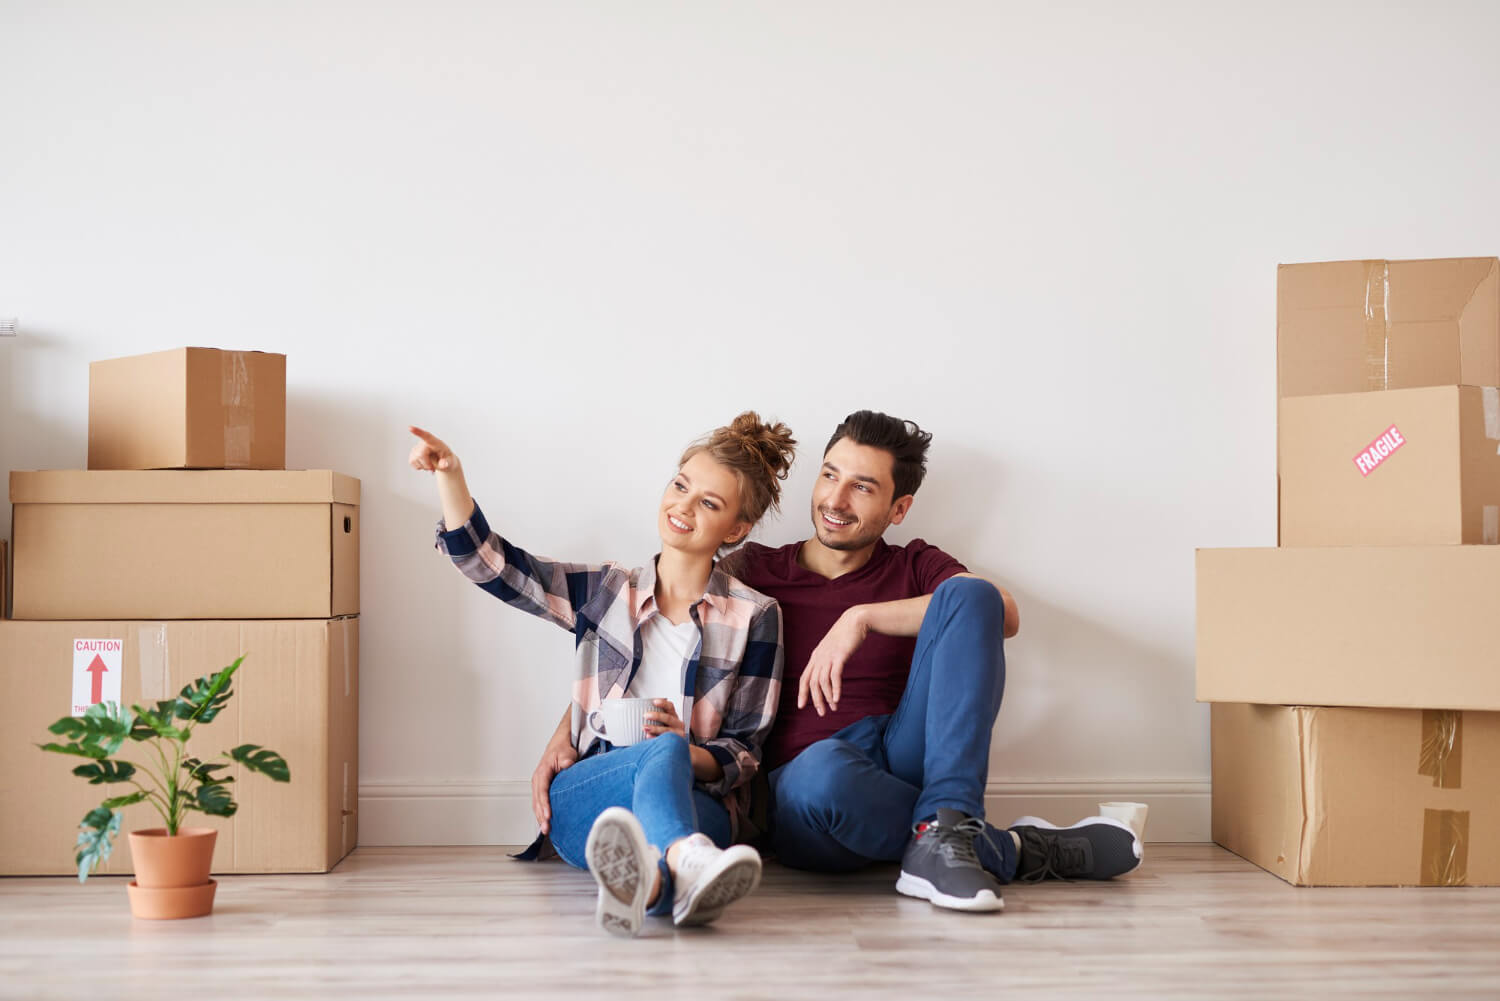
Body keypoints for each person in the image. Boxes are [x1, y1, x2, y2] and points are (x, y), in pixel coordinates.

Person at [714, 410, 1143, 912]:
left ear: (899, 508)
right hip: (807, 792)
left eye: (863, 487)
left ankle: (950, 821)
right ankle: (1010, 847)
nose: (835, 499)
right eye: (830, 474)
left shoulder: (915, 564)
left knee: (971, 594)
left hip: (901, 753)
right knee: (823, 772)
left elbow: (1001, 611)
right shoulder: (755, 569)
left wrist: (862, 617)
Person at [410, 413, 795, 937]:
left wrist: (688, 750)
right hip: (587, 792)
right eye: (680, 486)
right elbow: (493, 566)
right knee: (664, 752)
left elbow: (746, 749)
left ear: (737, 529)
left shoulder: (756, 615)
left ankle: (655, 889)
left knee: (676, 770)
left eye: (709, 502)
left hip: (691, 797)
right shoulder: (606, 591)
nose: (683, 506)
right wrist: (450, 477)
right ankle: (687, 859)